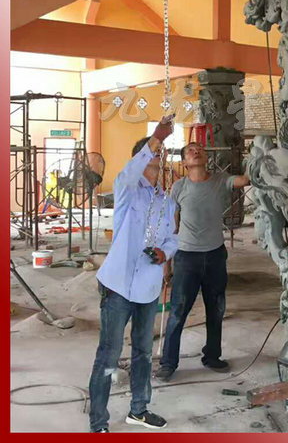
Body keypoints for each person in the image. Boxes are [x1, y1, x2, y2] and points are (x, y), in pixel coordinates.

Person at [88, 117, 178, 432]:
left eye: (160, 153)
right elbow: (128, 173)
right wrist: (155, 137)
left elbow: (173, 237)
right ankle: (98, 421)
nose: (158, 157)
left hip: (148, 289)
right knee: (109, 354)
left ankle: (138, 410)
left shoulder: (166, 201)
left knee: (143, 352)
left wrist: (165, 253)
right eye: (153, 153)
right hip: (118, 287)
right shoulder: (127, 190)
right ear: (141, 158)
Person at [155, 142, 250, 381]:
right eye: (190, 150)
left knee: (216, 309)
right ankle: (168, 362)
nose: (196, 151)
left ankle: (212, 356)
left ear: (206, 157)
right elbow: (171, 226)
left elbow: (244, 180)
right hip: (186, 257)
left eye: (199, 149)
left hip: (215, 256)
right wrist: (167, 264)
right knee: (178, 311)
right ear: (185, 163)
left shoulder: (221, 181)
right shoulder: (179, 187)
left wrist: (257, 155)